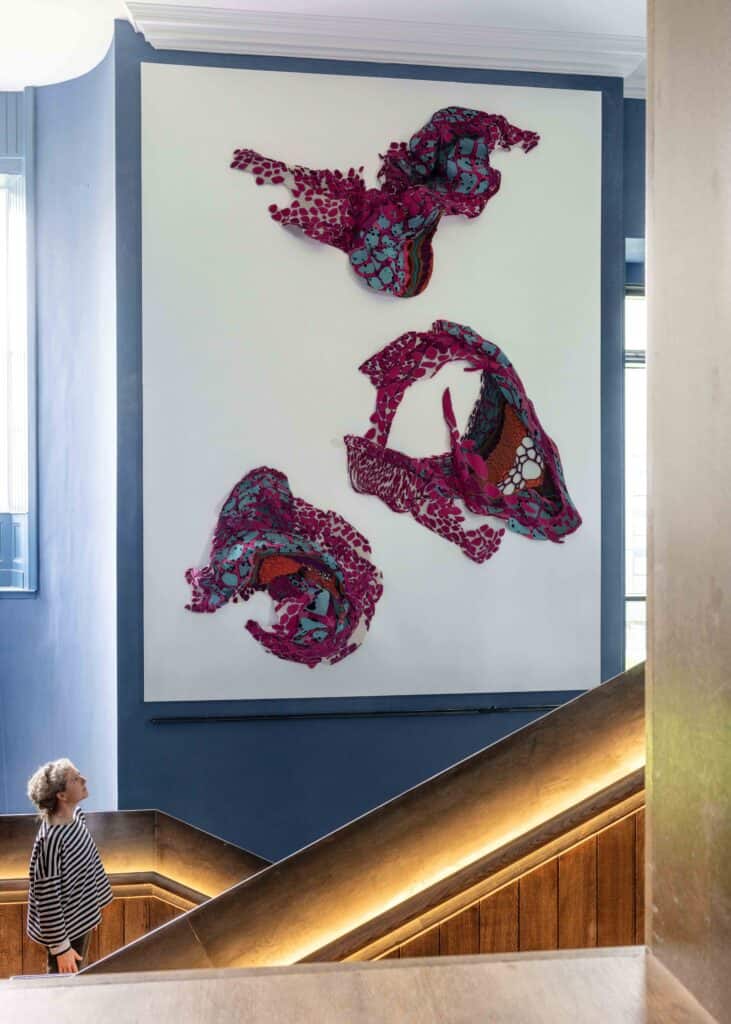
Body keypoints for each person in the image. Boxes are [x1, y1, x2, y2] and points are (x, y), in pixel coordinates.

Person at [26, 758, 112, 974]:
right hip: (64, 931)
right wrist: (61, 948)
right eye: (75, 779)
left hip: (80, 918)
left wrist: (94, 905)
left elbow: (90, 861)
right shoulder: (51, 840)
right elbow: (46, 899)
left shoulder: (77, 818)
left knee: (77, 975)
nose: (84, 779)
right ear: (61, 795)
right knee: (62, 984)